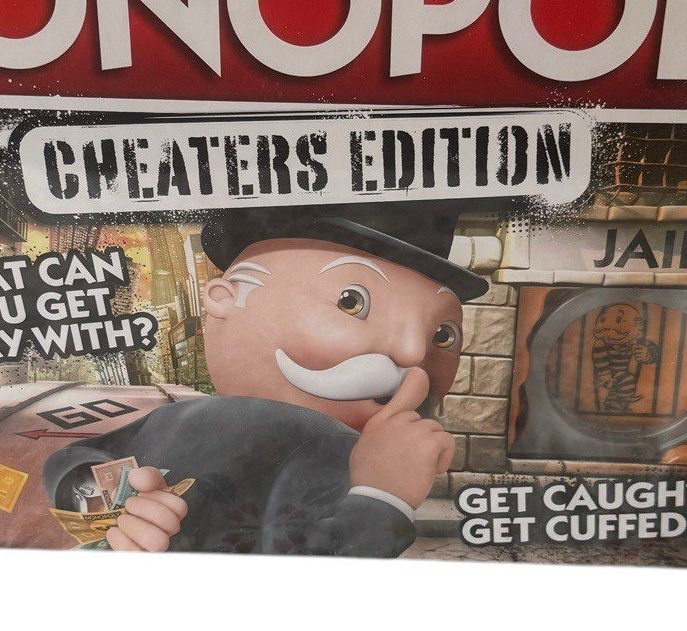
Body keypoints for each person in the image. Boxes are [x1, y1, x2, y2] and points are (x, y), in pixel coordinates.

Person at [41, 206, 486, 556]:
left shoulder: (178, 415)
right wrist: (383, 497)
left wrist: (103, 501)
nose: (413, 352)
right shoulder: (329, 448)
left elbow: (70, 462)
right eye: (351, 302)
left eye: (443, 335)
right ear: (225, 299)